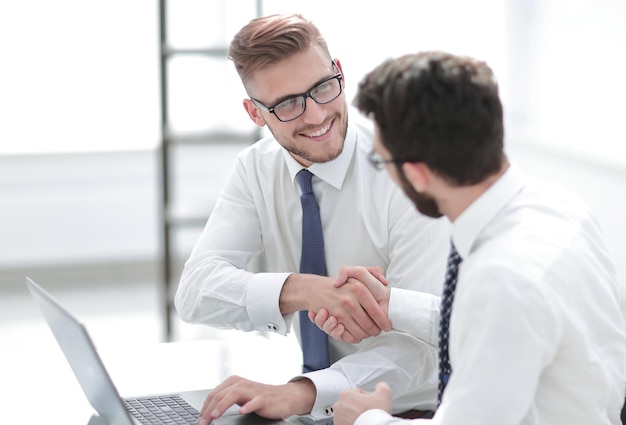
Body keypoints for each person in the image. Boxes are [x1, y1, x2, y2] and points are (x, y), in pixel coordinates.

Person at [173, 14, 451, 424]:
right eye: (287, 104)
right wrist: (304, 291)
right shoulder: (256, 169)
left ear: (338, 72)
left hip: (418, 413)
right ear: (255, 113)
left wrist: (301, 394)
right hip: (327, 409)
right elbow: (195, 292)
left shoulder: (409, 176)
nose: (316, 115)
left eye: (323, 88)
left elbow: (425, 348)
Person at [326, 50, 626, 425]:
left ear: (417, 173)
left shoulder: (503, 278)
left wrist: (368, 419)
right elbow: (498, 334)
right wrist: (392, 306)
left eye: (381, 162)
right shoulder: (558, 204)